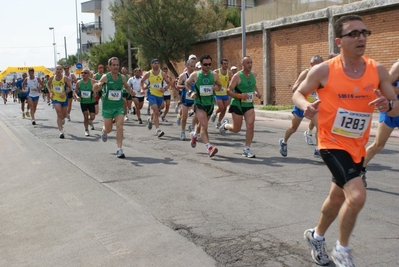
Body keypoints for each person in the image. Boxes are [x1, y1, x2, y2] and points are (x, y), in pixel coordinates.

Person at [292, 15, 399, 267]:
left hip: (357, 146)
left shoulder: (377, 70)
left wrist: (389, 104)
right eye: (354, 33)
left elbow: (395, 109)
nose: (361, 37)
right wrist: (305, 105)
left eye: (364, 32)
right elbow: (298, 92)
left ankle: (316, 236)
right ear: (339, 41)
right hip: (330, 143)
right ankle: (342, 249)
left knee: (338, 198)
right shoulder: (324, 70)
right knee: (357, 195)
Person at [360, 59, 399, 187]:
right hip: (391, 110)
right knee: (378, 145)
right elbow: (383, 85)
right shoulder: (398, 66)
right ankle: (360, 170)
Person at [279, 55, 324, 158]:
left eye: (322, 65)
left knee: (320, 127)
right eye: (318, 65)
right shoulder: (305, 73)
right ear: (311, 64)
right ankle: (284, 142)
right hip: (301, 104)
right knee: (293, 128)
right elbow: (294, 88)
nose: (320, 67)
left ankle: (318, 149)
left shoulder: (321, 75)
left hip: (314, 105)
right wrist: (306, 87)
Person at [93, 57, 136, 158]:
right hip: (107, 108)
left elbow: (126, 86)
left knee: (120, 126)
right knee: (108, 129)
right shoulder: (106, 77)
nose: (116, 67)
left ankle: (119, 149)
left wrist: (131, 91)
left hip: (118, 107)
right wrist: (96, 86)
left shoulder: (122, 77)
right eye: (114, 65)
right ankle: (104, 130)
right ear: (109, 67)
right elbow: (99, 84)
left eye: (117, 65)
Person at [219, 56, 261, 158]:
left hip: (249, 104)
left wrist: (257, 92)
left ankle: (247, 149)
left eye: (251, 62)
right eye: (247, 63)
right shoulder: (237, 76)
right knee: (236, 129)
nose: (250, 64)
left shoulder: (253, 74)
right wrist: (240, 96)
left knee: (250, 126)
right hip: (237, 104)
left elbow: (253, 85)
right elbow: (228, 91)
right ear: (242, 64)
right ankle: (225, 126)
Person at [185, 54, 222, 157]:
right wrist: (190, 92)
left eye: (209, 64)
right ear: (201, 64)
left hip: (210, 104)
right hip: (199, 103)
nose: (208, 66)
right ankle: (209, 147)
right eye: (205, 64)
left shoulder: (214, 75)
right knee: (205, 126)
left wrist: (216, 88)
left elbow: (219, 86)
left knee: (201, 125)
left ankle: (194, 136)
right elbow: (187, 84)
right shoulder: (195, 75)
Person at [140, 58, 170, 138]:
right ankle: (158, 130)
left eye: (158, 63)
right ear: (152, 64)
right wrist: (142, 89)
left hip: (160, 95)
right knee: (156, 111)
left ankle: (150, 119)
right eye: (155, 63)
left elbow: (169, 83)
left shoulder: (162, 74)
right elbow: (142, 81)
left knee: (158, 110)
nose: (156, 64)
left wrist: (165, 89)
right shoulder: (148, 74)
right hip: (151, 94)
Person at [47, 65, 73, 138]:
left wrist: (65, 92)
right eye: (57, 69)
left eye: (60, 69)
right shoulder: (52, 78)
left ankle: (63, 118)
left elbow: (70, 88)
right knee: (59, 113)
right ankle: (61, 132)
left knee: (63, 115)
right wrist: (50, 92)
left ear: (62, 71)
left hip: (64, 98)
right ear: (55, 70)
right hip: (55, 98)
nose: (58, 70)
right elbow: (47, 84)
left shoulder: (65, 79)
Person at [176, 59, 197, 140]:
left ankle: (192, 127)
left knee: (198, 114)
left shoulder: (196, 75)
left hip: (194, 98)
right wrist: (185, 86)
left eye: (194, 66)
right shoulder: (183, 76)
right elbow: (177, 86)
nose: (193, 68)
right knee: (184, 117)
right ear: (187, 66)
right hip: (186, 98)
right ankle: (182, 131)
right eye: (191, 66)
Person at [74, 68, 97, 136]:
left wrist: (95, 92)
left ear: (89, 74)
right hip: (83, 102)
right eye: (82, 73)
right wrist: (77, 96)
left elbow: (97, 88)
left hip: (91, 101)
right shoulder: (79, 82)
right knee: (85, 116)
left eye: (85, 73)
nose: (83, 74)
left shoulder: (92, 81)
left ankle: (90, 121)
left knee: (92, 117)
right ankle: (86, 130)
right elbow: (75, 91)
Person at [211, 58, 231, 129]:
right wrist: (214, 87)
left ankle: (219, 122)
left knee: (224, 109)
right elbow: (212, 81)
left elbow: (231, 82)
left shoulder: (229, 73)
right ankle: (215, 113)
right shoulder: (216, 72)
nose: (226, 65)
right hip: (217, 93)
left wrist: (230, 89)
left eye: (227, 64)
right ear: (221, 64)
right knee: (221, 108)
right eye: (224, 64)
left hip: (225, 93)